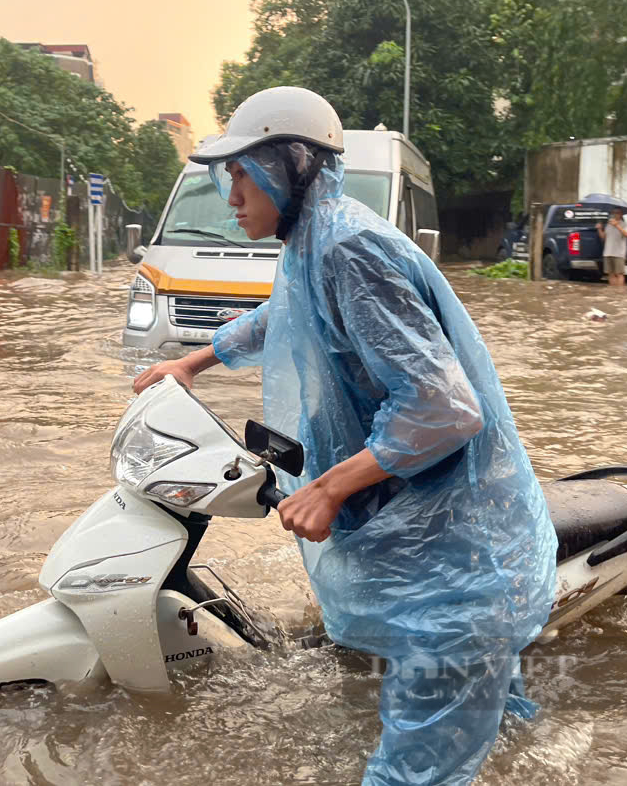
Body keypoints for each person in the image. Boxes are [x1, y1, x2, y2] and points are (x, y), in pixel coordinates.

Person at [132, 86, 557, 786]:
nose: (231, 193)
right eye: (227, 175)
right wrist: (193, 361)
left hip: (454, 563)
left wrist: (328, 489)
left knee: (411, 770)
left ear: (290, 167)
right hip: (444, 539)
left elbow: (444, 407)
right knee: (481, 715)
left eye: (243, 172)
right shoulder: (317, 241)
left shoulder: (348, 247)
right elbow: (281, 316)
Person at [597, 207, 627, 286]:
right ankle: (613, 293)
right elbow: (604, 237)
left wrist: (617, 225)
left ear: (621, 214)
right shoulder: (608, 225)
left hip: (619, 253)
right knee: (610, 274)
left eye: (617, 213)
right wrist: (599, 229)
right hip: (608, 253)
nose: (615, 214)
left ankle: (620, 292)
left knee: (619, 274)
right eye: (614, 213)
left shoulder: (624, 224)